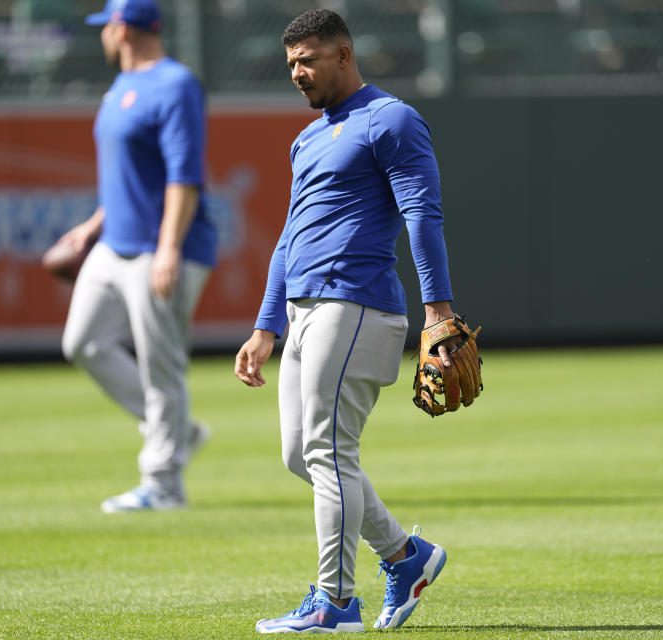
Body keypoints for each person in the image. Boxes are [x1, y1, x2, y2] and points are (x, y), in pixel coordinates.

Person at [234, 8, 458, 633]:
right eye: (290, 64)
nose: (297, 73)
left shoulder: (391, 120)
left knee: (330, 451)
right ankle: (405, 556)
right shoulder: (307, 138)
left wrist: (437, 307)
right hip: (305, 308)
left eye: (307, 60)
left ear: (343, 54)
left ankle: (335, 603)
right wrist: (264, 326)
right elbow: (288, 237)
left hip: (356, 303)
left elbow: (423, 214)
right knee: (299, 455)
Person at [60, 0, 216, 513]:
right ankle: (175, 431)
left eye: (106, 25)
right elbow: (133, 176)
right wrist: (94, 224)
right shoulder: (120, 87)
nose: (102, 34)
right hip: (114, 242)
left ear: (122, 29)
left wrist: (169, 247)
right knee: (82, 342)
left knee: (160, 364)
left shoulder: (175, 84)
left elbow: (183, 176)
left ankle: (165, 482)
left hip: (165, 247)